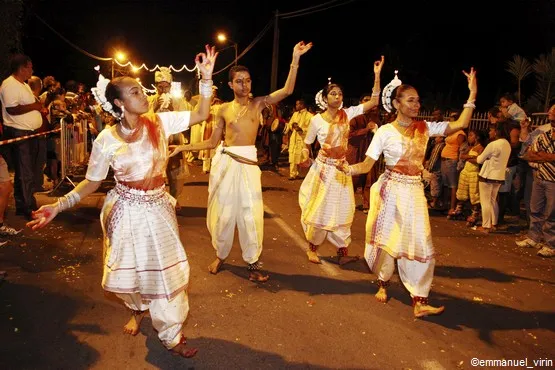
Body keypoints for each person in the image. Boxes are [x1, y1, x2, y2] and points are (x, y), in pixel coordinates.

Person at [26, 45, 218, 357]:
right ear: (118, 102)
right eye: (134, 92)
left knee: (166, 272)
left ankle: (172, 335)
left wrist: (206, 78)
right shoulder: (106, 140)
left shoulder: (158, 122)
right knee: (132, 273)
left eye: (141, 89)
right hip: (125, 213)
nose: (142, 94)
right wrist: (57, 206)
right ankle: (137, 309)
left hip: (158, 209)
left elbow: (201, 113)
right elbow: (90, 182)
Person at [170, 41, 312, 282]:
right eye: (239, 81)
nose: (244, 85)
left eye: (247, 80)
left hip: (248, 165)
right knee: (224, 214)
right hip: (227, 165)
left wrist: (295, 59)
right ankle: (221, 255)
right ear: (230, 85)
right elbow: (212, 142)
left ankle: (252, 263)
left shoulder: (259, 104)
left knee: (251, 214)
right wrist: (183, 146)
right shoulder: (222, 110)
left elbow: (286, 91)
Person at [341, 67, 477, 317]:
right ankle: (383, 282)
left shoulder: (425, 128)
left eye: (417, 100)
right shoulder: (384, 132)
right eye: (411, 100)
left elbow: (462, 123)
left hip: (414, 192)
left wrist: (472, 94)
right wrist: (347, 169)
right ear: (396, 104)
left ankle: (419, 299)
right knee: (390, 241)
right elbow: (367, 165)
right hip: (391, 191)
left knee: (421, 241)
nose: (417, 104)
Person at [298, 56, 384, 265]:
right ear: (325, 98)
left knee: (343, 211)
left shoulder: (348, 114)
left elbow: (373, 101)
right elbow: (307, 143)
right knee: (320, 209)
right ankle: (313, 248)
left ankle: (342, 254)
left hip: (341, 170)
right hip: (322, 171)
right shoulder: (316, 120)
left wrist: (377, 75)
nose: (337, 96)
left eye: (340, 93)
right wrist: (304, 156)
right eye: (333, 93)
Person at [0, 54, 45, 220]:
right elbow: (12, 109)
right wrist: (34, 106)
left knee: (28, 170)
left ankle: (25, 203)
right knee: (24, 171)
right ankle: (26, 207)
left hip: (28, 132)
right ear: (22, 67)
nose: (31, 70)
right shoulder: (9, 85)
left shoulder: (24, 85)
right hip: (19, 132)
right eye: (30, 67)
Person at [148, 67, 192, 211]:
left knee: (175, 173)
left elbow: (187, 116)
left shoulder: (178, 100)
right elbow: (143, 118)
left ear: (170, 86)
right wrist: (155, 107)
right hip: (154, 142)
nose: (163, 89)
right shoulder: (150, 100)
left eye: (166, 86)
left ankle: (174, 199)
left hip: (174, 141)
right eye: (160, 86)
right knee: (155, 172)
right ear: (155, 86)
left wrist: (173, 107)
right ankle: (156, 199)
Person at [467, 122, 510, 233]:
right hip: (499, 176)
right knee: (493, 200)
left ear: (496, 131)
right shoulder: (507, 144)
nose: (490, 132)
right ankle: (494, 224)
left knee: (485, 201)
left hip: (488, 175)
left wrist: (469, 157)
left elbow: (480, 159)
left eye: (491, 130)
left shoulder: (493, 144)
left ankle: (486, 226)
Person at [285, 99, 313, 180]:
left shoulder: (309, 116)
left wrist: (301, 129)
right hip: (294, 137)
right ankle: (293, 174)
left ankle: (311, 174)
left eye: (297, 104)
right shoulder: (295, 114)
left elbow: (311, 129)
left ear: (302, 105)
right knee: (292, 155)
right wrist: (292, 126)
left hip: (303, 139)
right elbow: (290, 124)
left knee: (304, 158)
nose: (296, 106)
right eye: (296, 104)